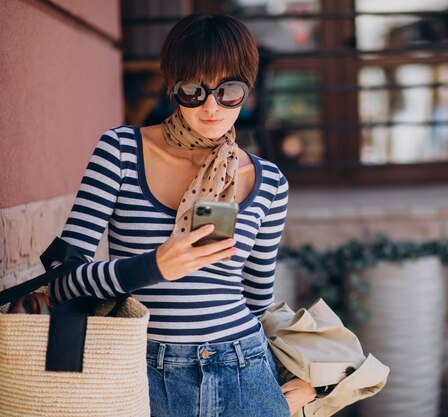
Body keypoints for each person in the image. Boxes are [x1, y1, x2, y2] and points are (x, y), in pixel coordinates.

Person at [50, 13, 315, 417]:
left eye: (228, 90)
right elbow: (62, 281)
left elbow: (257, 300)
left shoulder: (270, 182)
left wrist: (295, 376)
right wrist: (153, 266)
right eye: (194, 90)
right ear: (173, 87)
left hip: (244, 371)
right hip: (142, 373)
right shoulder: (121, 151)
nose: (211, 106)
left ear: (248, 89)